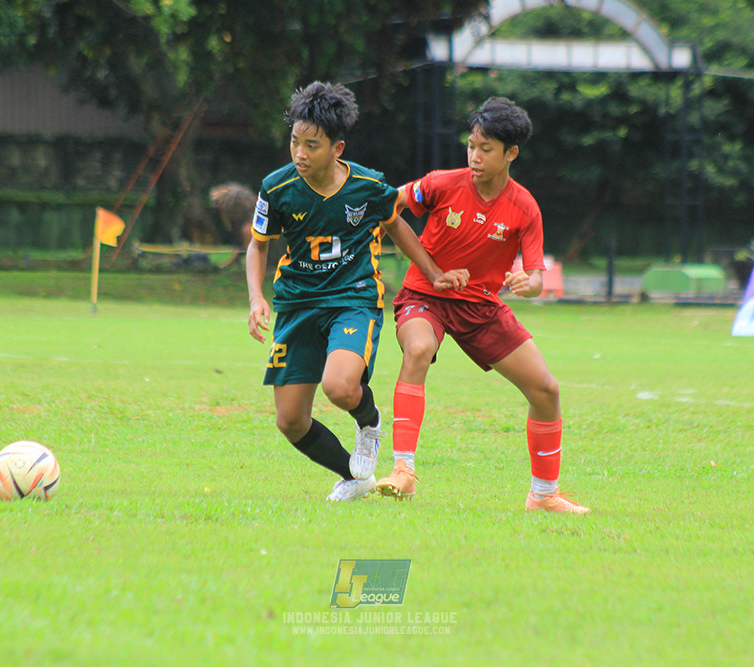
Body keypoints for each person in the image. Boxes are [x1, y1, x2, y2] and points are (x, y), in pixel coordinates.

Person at [356, 96, 589, 513]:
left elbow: (536, 275)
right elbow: (387, 206)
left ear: (511, 153)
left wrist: (528, 283)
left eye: (486, 149)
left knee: (546, 390)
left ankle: (544, 494)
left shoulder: (524, 208)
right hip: (424, 296)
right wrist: (430, 270)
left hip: (482, 309)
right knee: (418, 349)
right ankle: (403, 472)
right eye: (471, 146)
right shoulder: (441, 184)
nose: (475, 156)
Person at [246, 82, 468, 502]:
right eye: (294, 141)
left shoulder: (367, 185)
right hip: (295, 304)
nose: (300, 154)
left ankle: (369, 423)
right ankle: (354, 476)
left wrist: (434, 272)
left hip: (353, 296)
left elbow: (396, 223)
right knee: (290, 421)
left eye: (312, 145)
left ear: (338, 148)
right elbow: (258, 245)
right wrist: (257, 297)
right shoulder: (276, 188)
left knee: (341, 387)